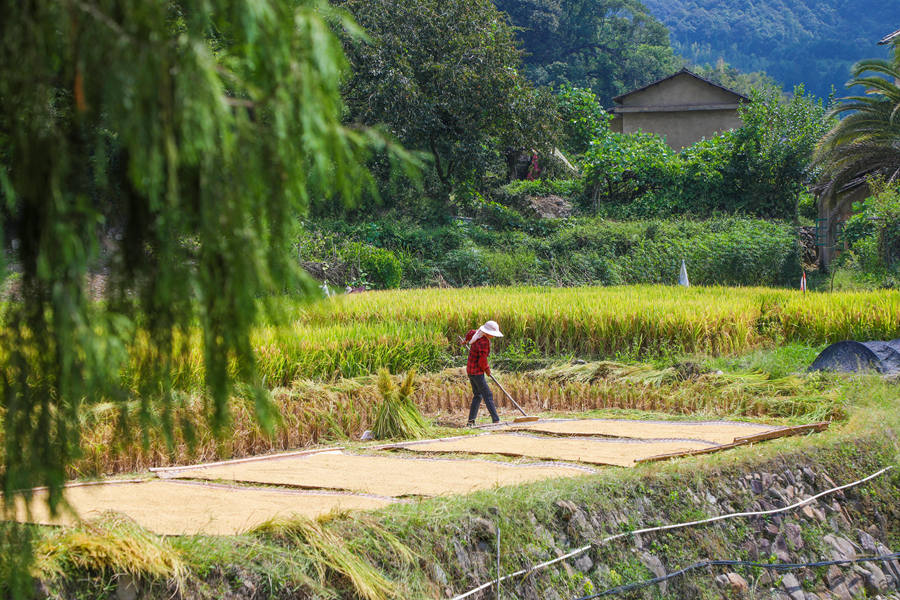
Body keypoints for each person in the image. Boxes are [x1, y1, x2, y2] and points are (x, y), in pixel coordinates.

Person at [463, 320, 503, 426]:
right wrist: (487, 369)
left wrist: (466, 341)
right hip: (477, 372)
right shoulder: (484, 342)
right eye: (492, 334)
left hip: (470, 370)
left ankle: (471, 422)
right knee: (487, 394)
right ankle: (496, 420)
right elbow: (482, 361)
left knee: (478, 395)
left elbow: (469, 333)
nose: (493, 336)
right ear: (488, 332)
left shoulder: (476, 333)